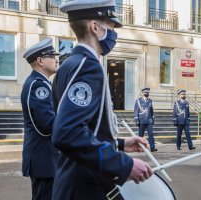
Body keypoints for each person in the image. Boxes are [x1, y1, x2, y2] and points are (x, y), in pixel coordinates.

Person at [51, 1, 153, 199]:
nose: (114, 33)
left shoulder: (69, 64)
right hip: (84, 186)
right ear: (95, 27)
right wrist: (124, 164)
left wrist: (120, 144)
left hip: (72, 181)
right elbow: (67, 132)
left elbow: (86, 128)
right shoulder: (88, 66)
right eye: (110, 26)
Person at [21, 38, 60, 200]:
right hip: (44, 159)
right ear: (40, 61)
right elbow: (48, 125)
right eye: (51, 56)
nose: (56, 59)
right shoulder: (38, 85)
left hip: (45, 157)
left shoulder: (42, 83)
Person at [134, 88, 158, 152]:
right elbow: (136, 111)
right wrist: (136, 119)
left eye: (147, 93)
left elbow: (151, 110)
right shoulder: (138, 101)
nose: (147, 94)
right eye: (145, 93)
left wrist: (152, 119)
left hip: (149, 120)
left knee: (151, 134)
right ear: (142, 93)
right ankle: (139, 147)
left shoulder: (150, 101)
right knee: (140, 135)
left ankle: (152, 147)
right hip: (141, 120)